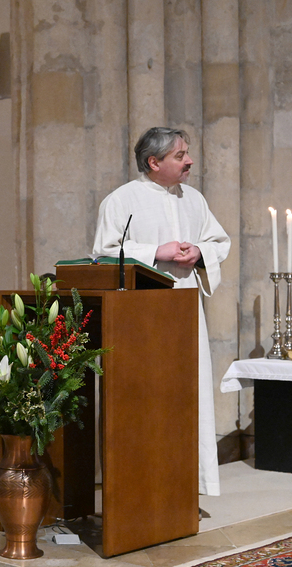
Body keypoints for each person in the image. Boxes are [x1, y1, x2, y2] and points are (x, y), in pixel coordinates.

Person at [91, 126, 231, 496]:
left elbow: (219, 241)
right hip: (140, 319)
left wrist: (200, 251)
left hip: (185, 310)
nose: (190, 161)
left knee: (186, 395)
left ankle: (184, 485)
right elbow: (103, 254)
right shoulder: (121, 200)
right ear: (154, 162)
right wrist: (156, 251)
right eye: (180, 155)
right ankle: (140, 488)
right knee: (147, 400)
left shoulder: (194, 199)